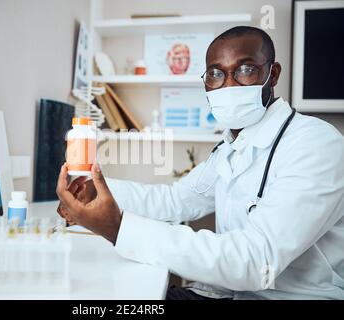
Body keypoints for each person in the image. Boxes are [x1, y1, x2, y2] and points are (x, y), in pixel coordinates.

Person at [56, 26, 344, 300]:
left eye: (245, 70)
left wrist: (119, 228)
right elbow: (175, 200)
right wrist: (96, 191)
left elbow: (258, 262)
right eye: (216, 74)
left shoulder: (314, 144)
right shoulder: (231, 147)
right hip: (228, 292)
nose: (228, 85)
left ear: (273, 73)